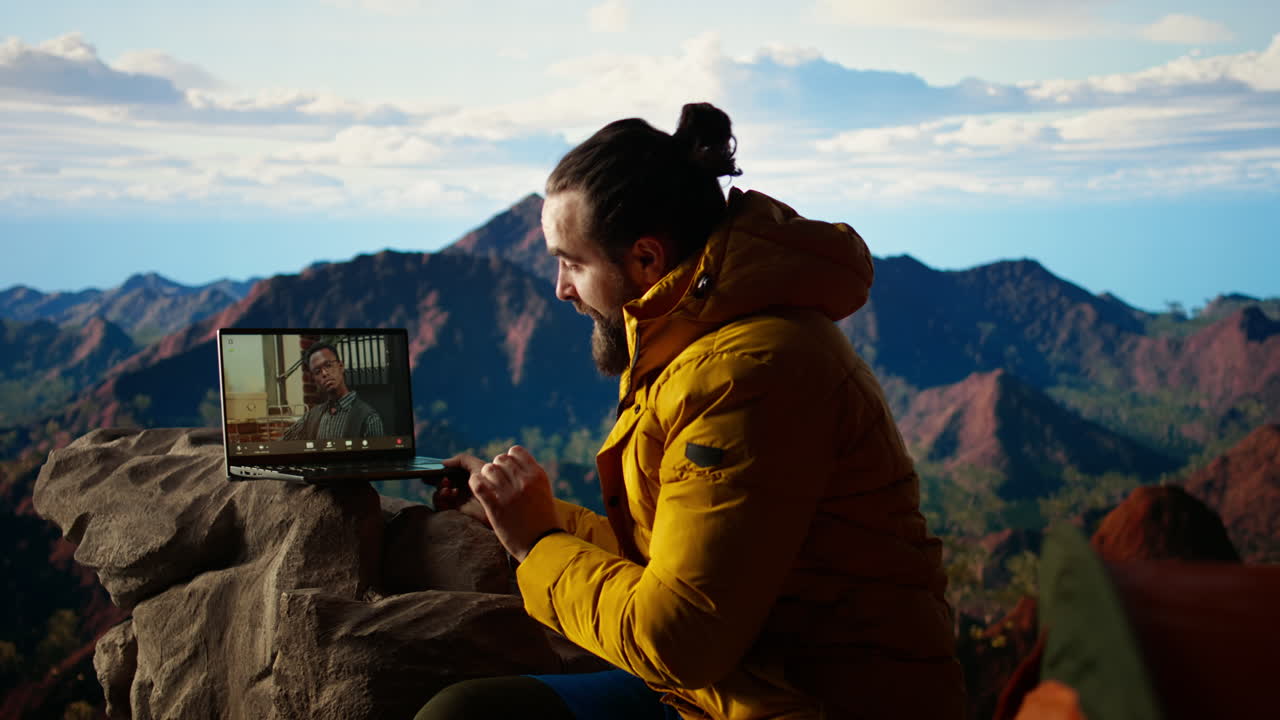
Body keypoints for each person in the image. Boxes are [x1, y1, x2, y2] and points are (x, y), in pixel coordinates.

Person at [417, 103, 964, 719]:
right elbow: (680, 562)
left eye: (572, 263)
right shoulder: (700, 346)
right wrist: (515, 514)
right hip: (727, 692)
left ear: (647, 260)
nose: (561, 290)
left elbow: (679, 638)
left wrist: (537, 543)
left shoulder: (747, 376)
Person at [281, 343, 384, 441]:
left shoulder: (368, 418)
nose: (324, 373)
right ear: (314, 380)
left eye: (328, 365)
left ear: (341, 366)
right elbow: (283, 443)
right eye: (317, 371)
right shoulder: (312, 416)